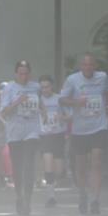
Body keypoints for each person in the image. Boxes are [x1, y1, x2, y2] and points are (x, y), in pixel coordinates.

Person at [60, 53, 108, 215]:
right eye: (85, 65)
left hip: (99, 126)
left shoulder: (102, 77)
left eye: (91, 65)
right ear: (81, 66)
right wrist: (76, 102)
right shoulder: (72, 80)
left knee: (96, 162)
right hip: (80, 129)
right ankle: (82, 192)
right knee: (80, 166)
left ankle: (95, 200)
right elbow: (62, 99)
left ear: (95, 66)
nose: (88, 67)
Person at [0, 60, 41, 216]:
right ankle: (19, 196)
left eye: (26, 73)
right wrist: (18, 102)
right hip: (15, 130)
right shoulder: (9, 88)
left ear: (29, 73)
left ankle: (27, 200)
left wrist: (43, 111)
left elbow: (41, 103)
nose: (23, 76)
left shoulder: (35, 87)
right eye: (20, 73)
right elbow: (3, 112)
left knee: (29, 163)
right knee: (18, 167)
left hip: (32, 129)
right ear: (16, 73)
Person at [38, 75, 67, 208]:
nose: (45, 89)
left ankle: (52, 186)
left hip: (58, 135)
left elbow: (69, 115)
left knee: (59, 170)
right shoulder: (38, 101)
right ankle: (51, 196)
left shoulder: (59, 99)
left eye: (47, 86)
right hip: (45, 136)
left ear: (52, 86)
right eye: (42, 87)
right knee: (48, 163)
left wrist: (60, 117)